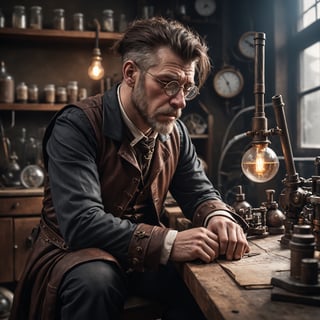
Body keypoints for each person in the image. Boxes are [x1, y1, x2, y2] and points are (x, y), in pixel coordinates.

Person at [10, 17, 250, 320]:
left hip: (140, 259)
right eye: (168, 83)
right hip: (72, 254)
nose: (179, 102)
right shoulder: (76, 125)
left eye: (186, 88)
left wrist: (217, 215)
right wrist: (170, 241)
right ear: (130, 73)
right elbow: (82, 223)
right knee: (97, 281)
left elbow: (198, 190)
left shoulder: (175, 132)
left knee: (208, 276)